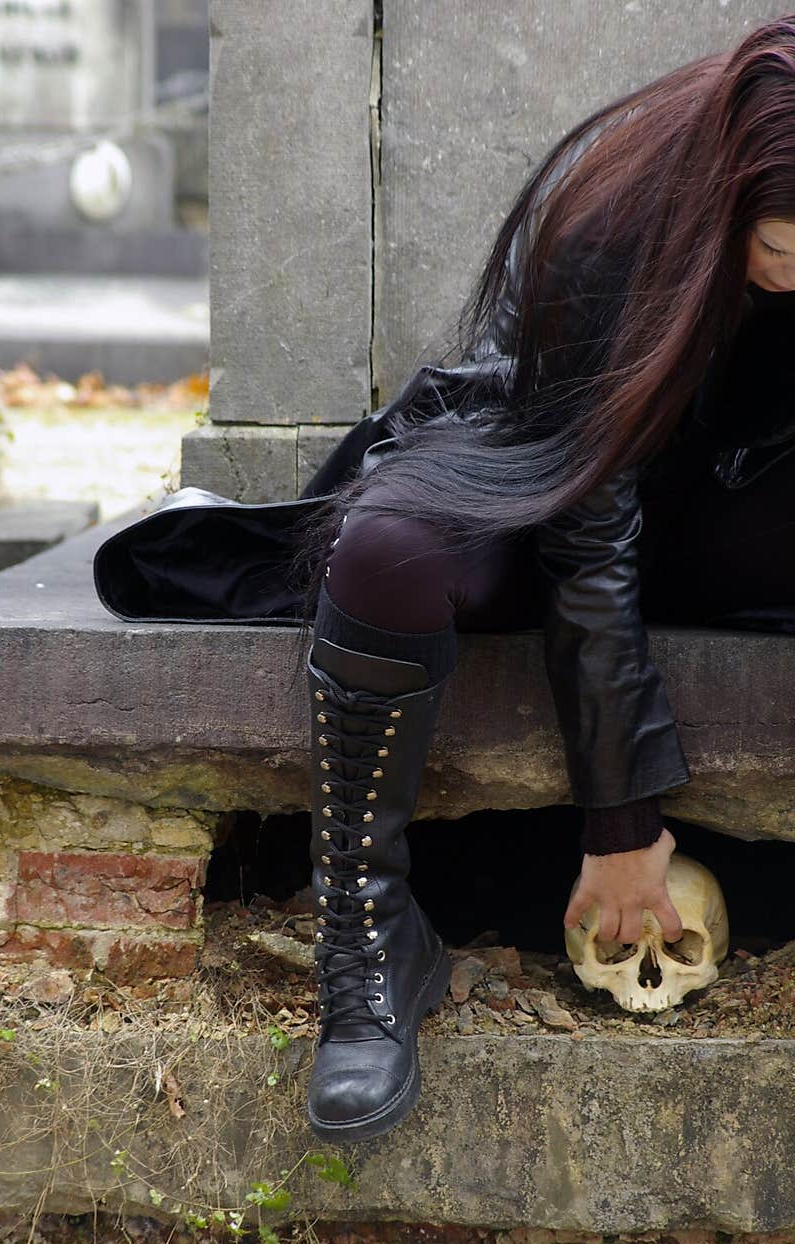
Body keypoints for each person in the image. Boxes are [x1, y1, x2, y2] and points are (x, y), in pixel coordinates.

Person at [92, 17, 795, 1146]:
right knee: (386, 552)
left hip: (748, 511)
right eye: (785, 250)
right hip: (559, 484)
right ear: (724, 200)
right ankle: (368, 944)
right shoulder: (611, 219)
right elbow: (588, 546)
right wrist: (621, 826)